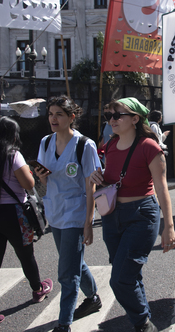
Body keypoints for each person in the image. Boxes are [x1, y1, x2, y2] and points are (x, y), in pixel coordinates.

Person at [89, 97, 175, 332]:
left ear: (135, 119)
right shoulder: (109, 146)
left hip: (141, 215)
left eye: (118, 115)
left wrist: (169, 226)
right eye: (109, 116)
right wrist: (99, 178)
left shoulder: (149, 146)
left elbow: (162, 187)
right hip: (112, 216)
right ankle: (143, 319)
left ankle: (143, 324)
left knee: (119, 279)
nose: (112, 120)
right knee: (129, 274)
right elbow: (111, 179)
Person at [0, 117, 53, 328]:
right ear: (13, 135)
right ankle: (38, 289)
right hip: (13, 215)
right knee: (26, 255)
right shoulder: (13, 155)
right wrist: (31, 173)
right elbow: (28, 184)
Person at [35, 96, 102, 332]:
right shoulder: (45, 142)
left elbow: (90, 185)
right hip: (54, 212)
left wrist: (88, 223)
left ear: (72, 117)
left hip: (75, 213)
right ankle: (93, 297)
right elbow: (45, 178)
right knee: (73, 262)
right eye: (51, 114)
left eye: (59, 114)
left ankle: (64, 323)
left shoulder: (85, 145)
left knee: (66, 272)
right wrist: (41, 177)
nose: (53, 118)